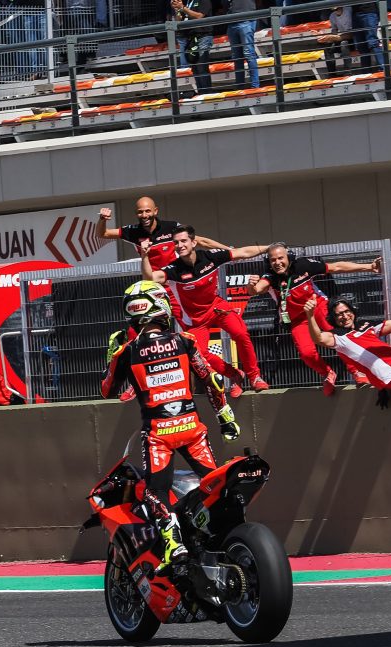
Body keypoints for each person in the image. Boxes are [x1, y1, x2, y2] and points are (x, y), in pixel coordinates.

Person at [99, 280, 240, 569]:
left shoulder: (125, 352)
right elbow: (211, 379)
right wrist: (225, 416)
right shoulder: (185, 340)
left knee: (154, 492)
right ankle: (220, 531)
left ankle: (173, 539)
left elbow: (107, 391)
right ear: (158, 306)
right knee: (213, 484)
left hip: (158, 435)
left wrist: (110, 356)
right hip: (192, 428)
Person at [94, 198, 239, 395]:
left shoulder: (172, 228)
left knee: (192, 345)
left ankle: (232, 374)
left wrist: (229, 251)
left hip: (175, 289)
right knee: (135, 334)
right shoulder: (133, 232)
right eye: (140, 212)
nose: (144, 216)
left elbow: (202, 241)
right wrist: (103, 219)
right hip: (152, 291)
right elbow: (102, 233)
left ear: (155, 211)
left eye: (147, 211)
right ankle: (136, 384)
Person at [141, 225, 272, 392]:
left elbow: (243, 252)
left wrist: (269, 248)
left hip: (217, 307)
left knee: (241, 333)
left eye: (184, 241)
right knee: (199, 355)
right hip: (196, 320)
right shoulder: (173, 269)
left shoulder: (210, 257)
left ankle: (255, 377)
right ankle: (235, 374)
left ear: (194, 242)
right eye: (176, 243)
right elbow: (149, 278)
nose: (180, 245)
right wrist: (145, 256)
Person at [246, 243, 382, 395]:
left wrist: (369, 267)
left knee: (339, 337)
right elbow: (256, 290)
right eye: (273, 260)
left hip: (317, 306)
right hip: (297, 319)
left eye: (280, 258)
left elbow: (336, 267)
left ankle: (357, 371)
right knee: (306, 353)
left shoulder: (303, 265)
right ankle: (328, 374)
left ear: (289, 257)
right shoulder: (270, 275)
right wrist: (251, 286)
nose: (277, 263)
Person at [304, 296, 391, 407]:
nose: (345, 316)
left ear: (353, 311)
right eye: (339, 314)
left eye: (347, 311)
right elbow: (319, 339)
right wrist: (310, 316)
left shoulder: (366, 327)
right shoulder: (338, 338)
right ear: (333, 319)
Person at [169, 0, 213, 95]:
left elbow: (199, 16)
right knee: (195, 68)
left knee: (201, 66)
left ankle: (207, 94)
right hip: (191, 38)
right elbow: (178, 21)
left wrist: (183, 8)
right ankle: (201, 94)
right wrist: (177, 10)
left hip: (203, 36)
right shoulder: (188, 2)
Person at [226, 0, 259, 88]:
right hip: (231, 21)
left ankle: (255, 86)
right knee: (237, 57)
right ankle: (240, 87)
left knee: (248, 53)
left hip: (246, 18)